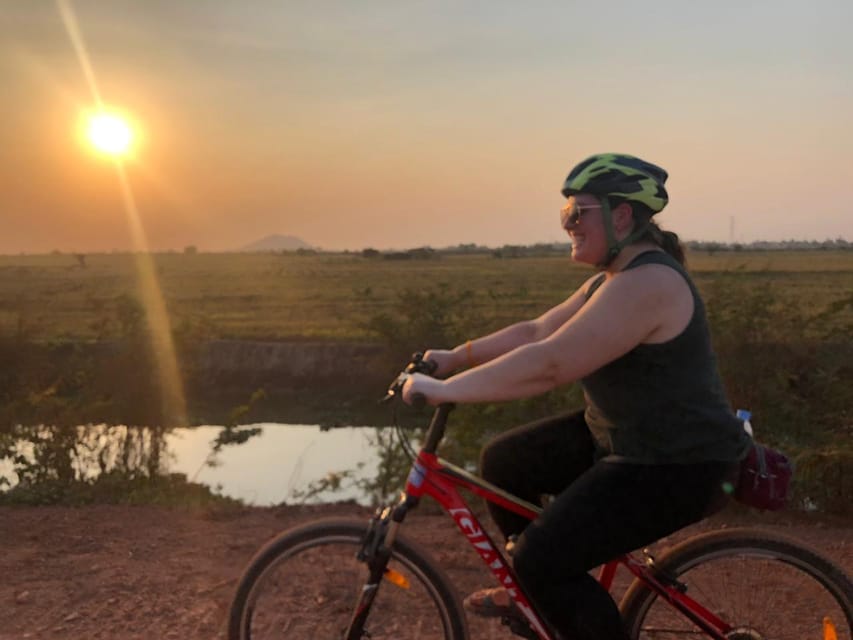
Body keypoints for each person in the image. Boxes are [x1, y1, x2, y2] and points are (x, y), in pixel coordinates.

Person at [401, 153, 752, 640]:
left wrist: (445, 391)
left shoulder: (648, 283)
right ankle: (538, 601)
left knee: (541, 560)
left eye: (575, 213)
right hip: (632, 440)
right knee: (505, 462)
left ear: (621, 215)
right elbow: (537, 330)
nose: (567, 224)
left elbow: (551, 362)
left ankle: (544, 586)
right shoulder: (612, 280)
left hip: (678, 464)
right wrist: (453, 357)